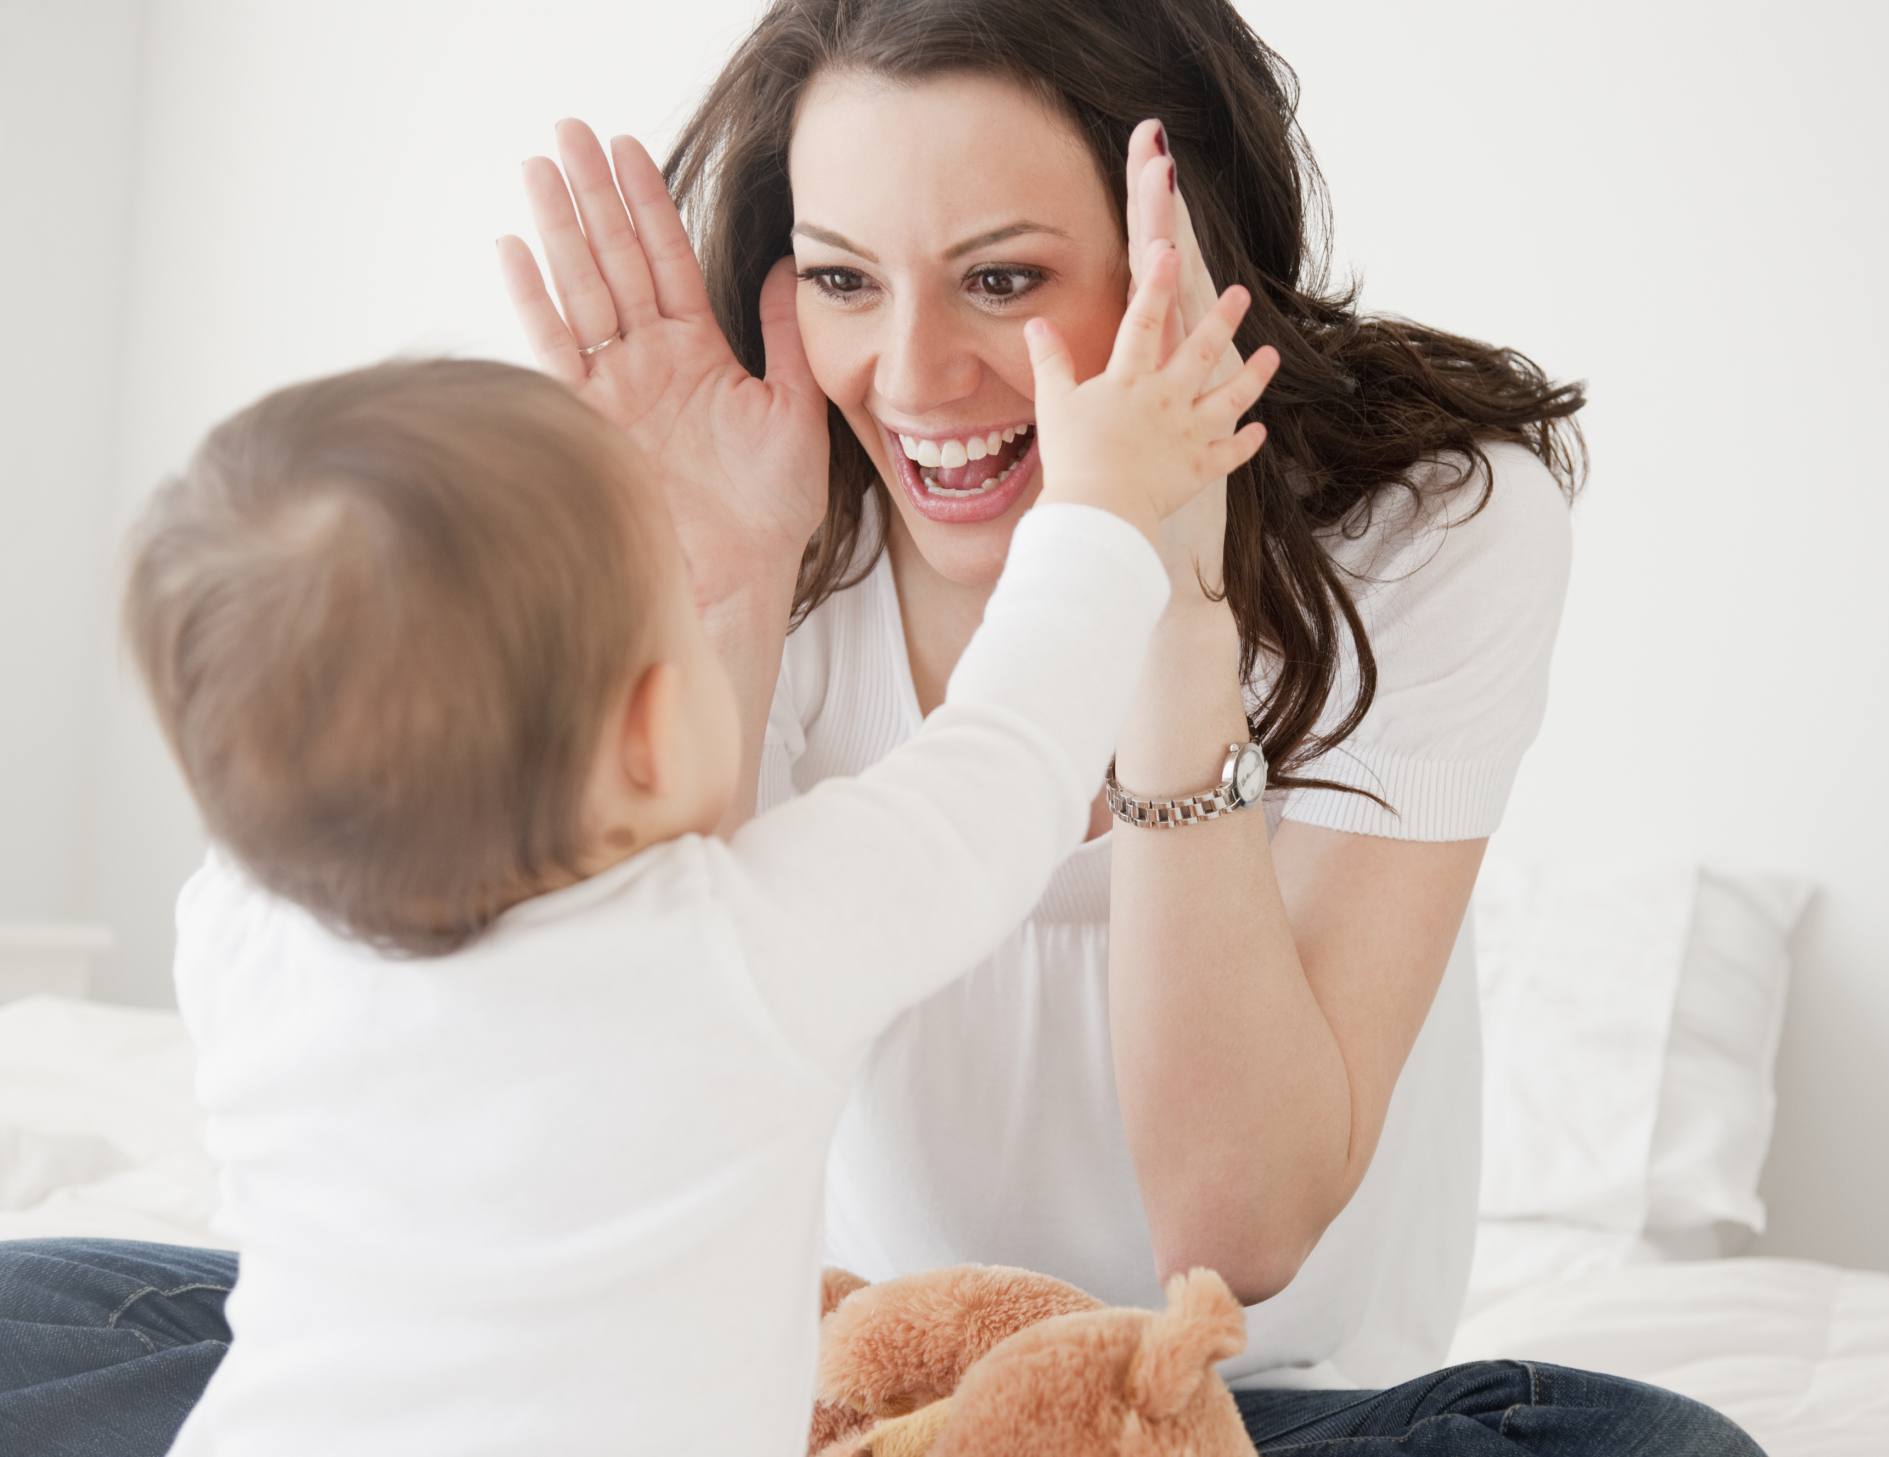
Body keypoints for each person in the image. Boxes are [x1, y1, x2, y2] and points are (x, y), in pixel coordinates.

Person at [0, 1, 1768, 1453]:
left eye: (1002, 280)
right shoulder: (745, 499)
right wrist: (728, 568)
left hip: (1244, 1400)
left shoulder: (1441, 524)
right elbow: (621, 1024)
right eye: (841, 279)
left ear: (1188, 261)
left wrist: (1167, 591)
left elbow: (1233, 1236)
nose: (910, 382)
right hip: (804, 1376)